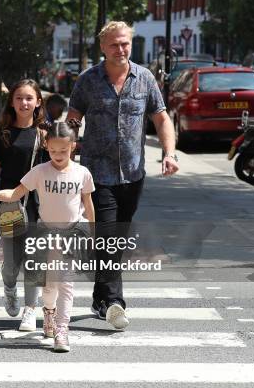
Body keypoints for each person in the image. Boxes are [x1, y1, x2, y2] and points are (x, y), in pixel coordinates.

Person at [66, 21, 179, 330]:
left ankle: (100, 297)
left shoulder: (144, 79)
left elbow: (161, 116)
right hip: (96, 174)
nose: (121, 49)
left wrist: (169, 153)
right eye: (114, 44)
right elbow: (73, 117)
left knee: (114, 241)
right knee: (109, 237)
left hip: (132, 174)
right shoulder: (88, 81)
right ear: (102, 47)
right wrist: (66, 145)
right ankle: (115, 303)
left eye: (125, 43)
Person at [0, 121, 95, 352]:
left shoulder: (82, 173)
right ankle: (48, 312)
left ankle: (62, 329)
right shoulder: (40, 171)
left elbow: (88, 203)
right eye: (53, 150)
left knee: (66, 283)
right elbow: (16, 193)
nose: (58, 155)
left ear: (73, 146)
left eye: (63, 151)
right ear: (46, 146)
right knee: (49, 286)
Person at [0, 79, 44, 331]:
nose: (24, 102)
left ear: (38, 102)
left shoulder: (45, 135)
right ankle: (9, 287)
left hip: (38, 206)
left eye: (29, 98)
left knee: (34, 260)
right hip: (8, 205)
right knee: (10, 264)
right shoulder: (3, 135)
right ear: (12, 102)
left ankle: (30, 310)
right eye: (19, 98)